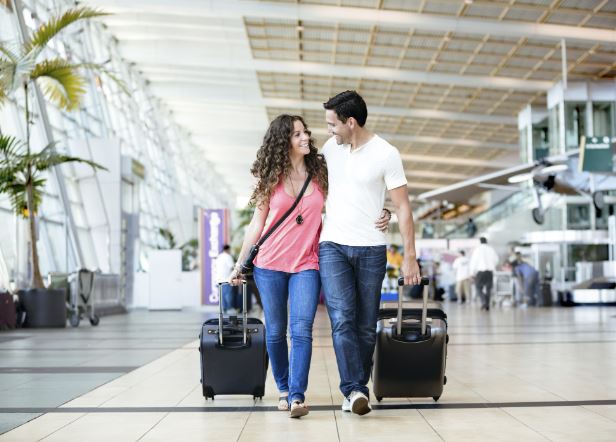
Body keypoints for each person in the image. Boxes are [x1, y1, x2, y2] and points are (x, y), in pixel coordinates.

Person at [229, 114, 391, 418]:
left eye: (305, 133)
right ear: (282, 142)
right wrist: (240, 263)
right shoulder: (270, 179)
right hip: (269, 265)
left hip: (308, 262)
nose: (305, 138)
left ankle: (297, 396)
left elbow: (353, 196)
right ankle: (283, 387)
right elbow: (256, 223)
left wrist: (383, 210)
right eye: (296, 135)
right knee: (276, 332)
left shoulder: (320, 174)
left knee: (301, 330)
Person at [319, 90, 421, 416]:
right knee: (342, 319)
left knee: (365, 325)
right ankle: (354, 389)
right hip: (332, 245)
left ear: (351, 122)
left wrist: (410, 255)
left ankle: (356, 389)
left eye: (332, 124)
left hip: (372, 249)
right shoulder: (329, 150)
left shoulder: (386, 153)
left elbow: (403, 207)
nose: (329, 130)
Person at [469, 237, 499, 311]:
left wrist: (472, 273)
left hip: (480, 272)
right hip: (489, 272)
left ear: (480, 242)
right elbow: (496, 260)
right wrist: (492, 266)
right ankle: (487, 304)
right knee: (488, 288)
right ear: (486, 241)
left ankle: (483, 301)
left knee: (478, 287)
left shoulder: (477, 250)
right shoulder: (491, 249)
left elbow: (474, 262)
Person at [215, 244, 237, 313]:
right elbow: (232, 267)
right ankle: (229, 308)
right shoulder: (228, 256)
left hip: (218, 279)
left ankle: (223, 309)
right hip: (226, 278)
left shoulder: (219, 256)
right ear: (228, 249)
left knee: (222, 295)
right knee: (228, 294)